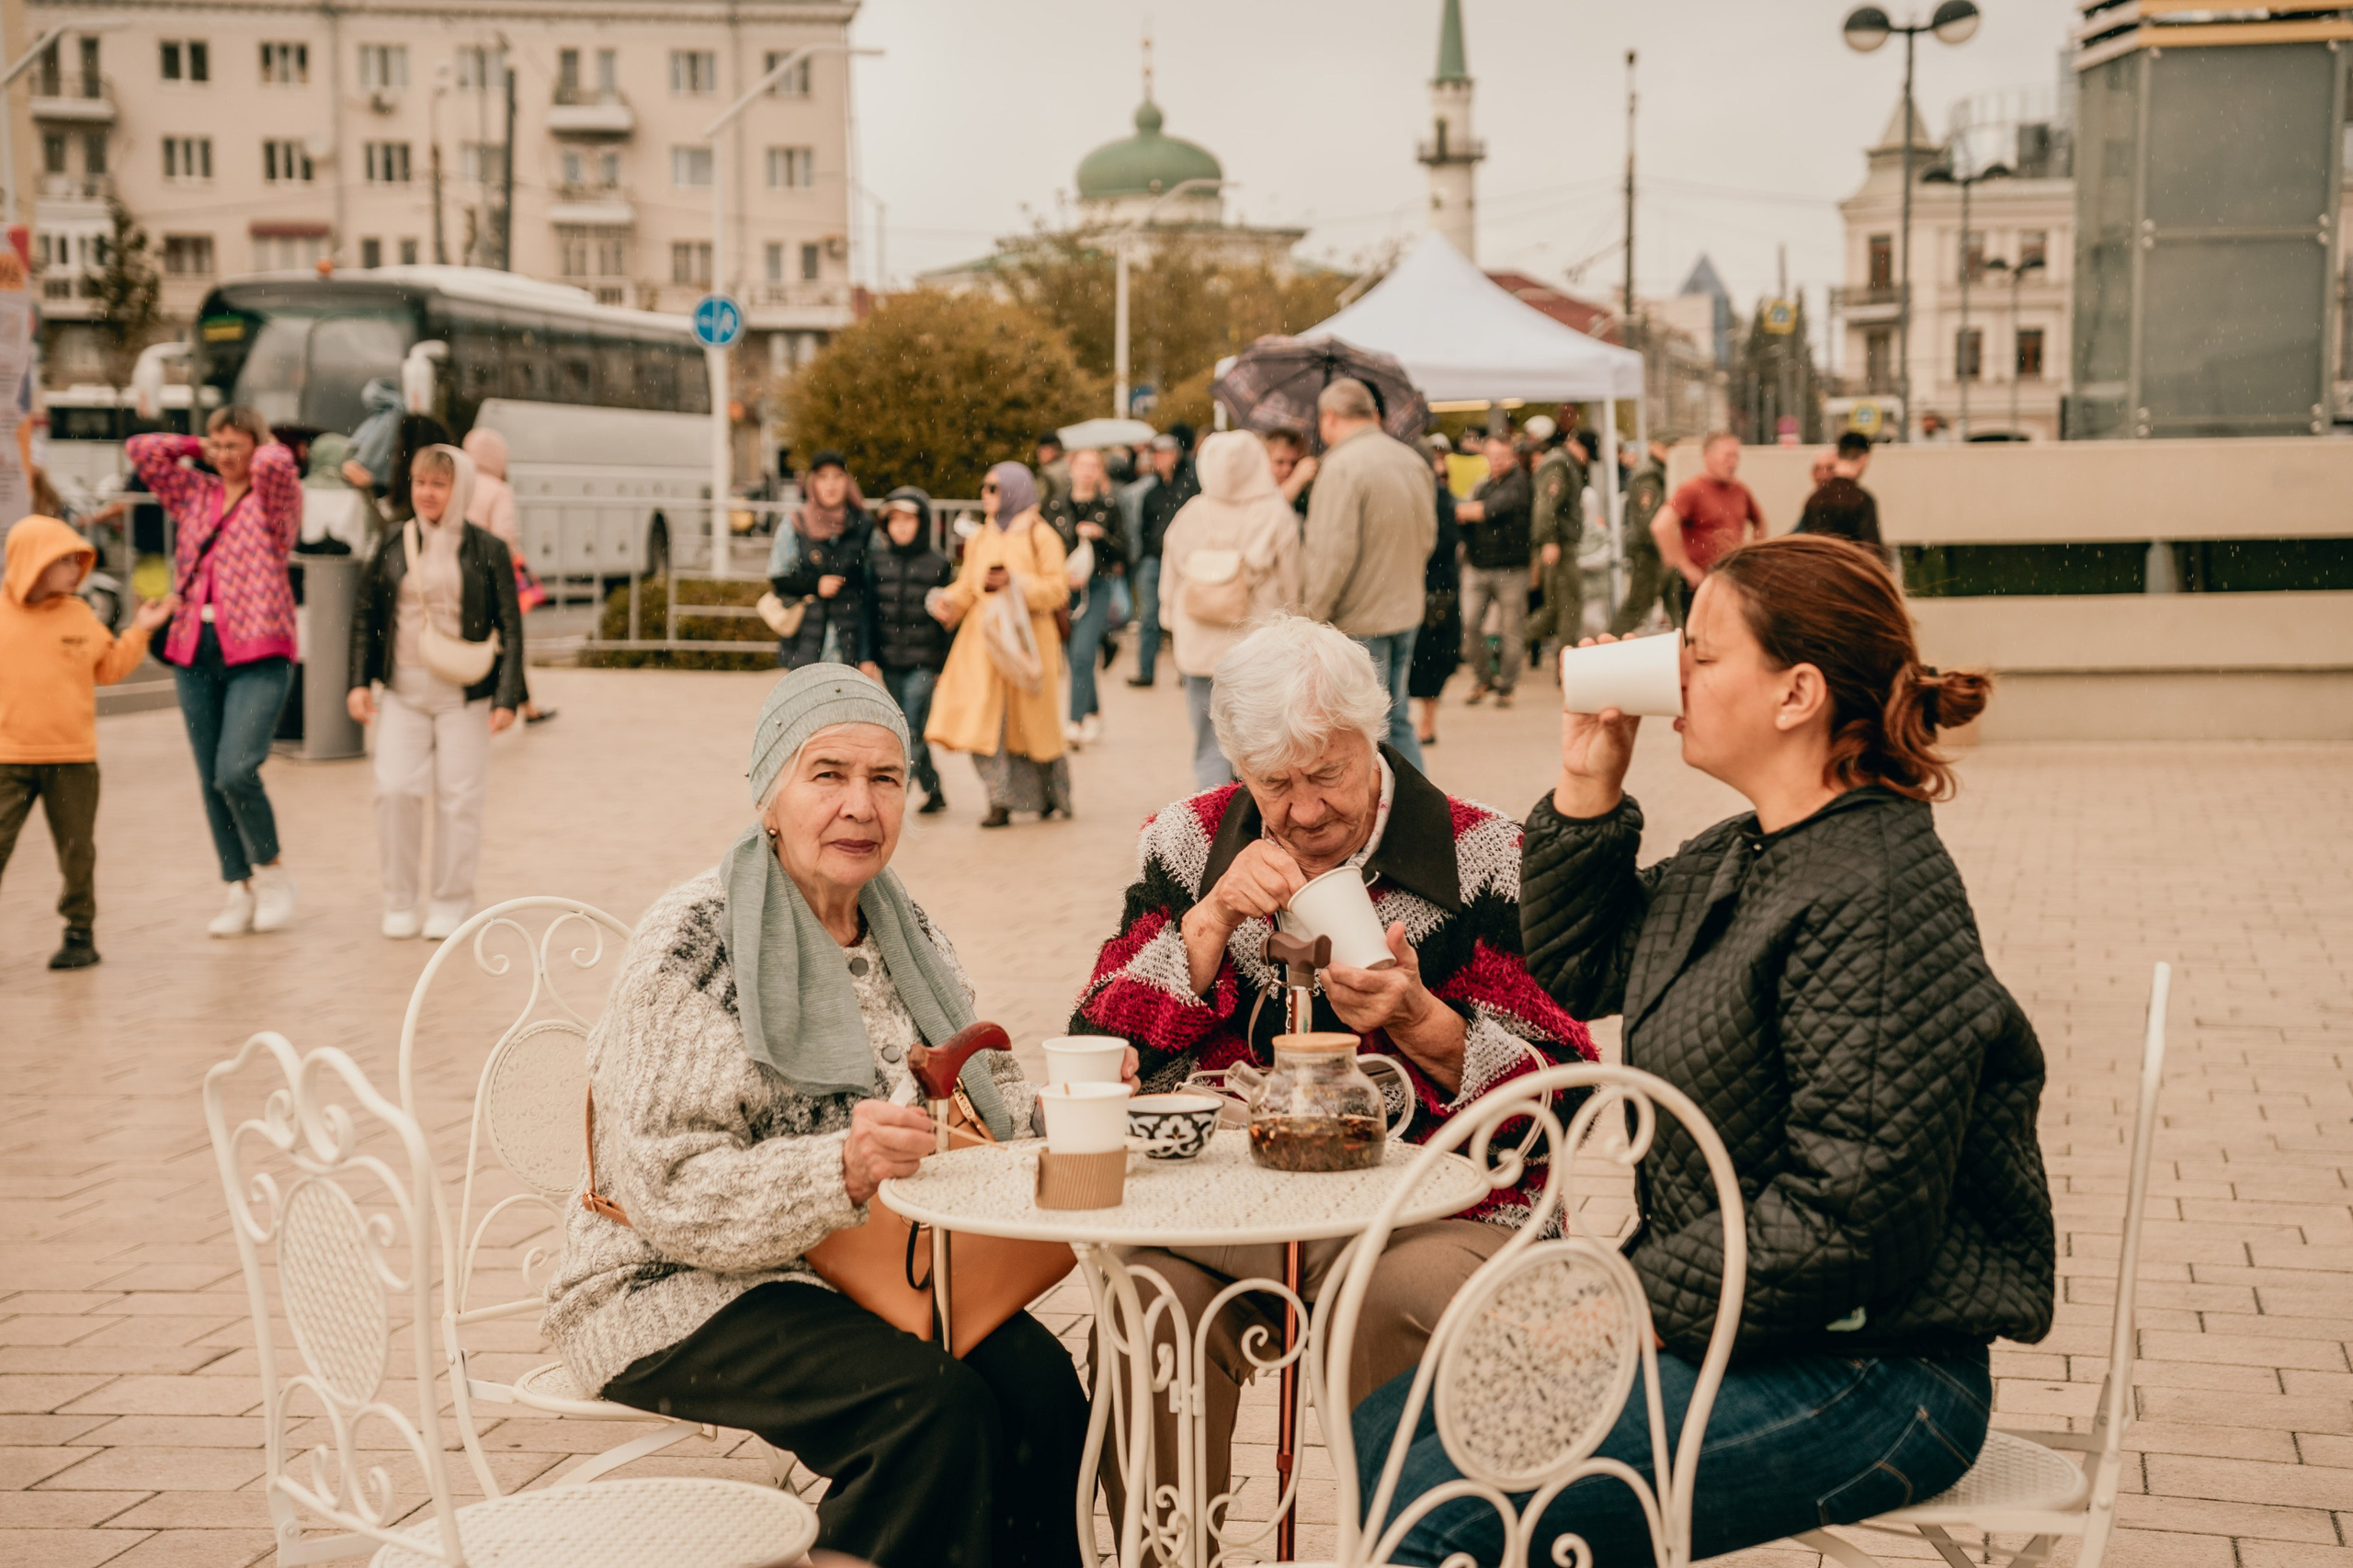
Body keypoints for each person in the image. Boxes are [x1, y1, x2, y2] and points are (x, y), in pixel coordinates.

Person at [1358, 535, 2052, 1567]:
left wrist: (1617, 1298)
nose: (1673, 668)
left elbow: (1849, 1215)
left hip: (1873, 1368)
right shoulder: (1752, 850)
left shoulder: (1877, 892)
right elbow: (1585, 974)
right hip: (1742, 1326)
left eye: (1702, 649)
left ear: (1796, 693)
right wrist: (1587, 781)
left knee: (1449, 1501)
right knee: (1395, 1426)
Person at [547, 665, 1095, 1568]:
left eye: (885, 779)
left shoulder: (902, 923)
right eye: (827, 774)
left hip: (866, 1270)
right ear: (771, 796)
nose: (860, 805)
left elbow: (983, 1087)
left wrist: (1079, 1119)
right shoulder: (693, 941)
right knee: (928, 1413)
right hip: (669, 1282)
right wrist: (837, 1168)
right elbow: (659, 1188)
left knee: (1041, 1393)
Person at [1068, 612, 1596, 1521]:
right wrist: (1204, 931)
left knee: (1387, 1293)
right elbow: (1097, 1058)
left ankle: (1413, 1542)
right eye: (1275, 783)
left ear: (1373, 735)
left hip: (1436, 1210)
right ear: (1235, 766)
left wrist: (1425, 1022)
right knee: (1149, 1296)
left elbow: (1567, 1098)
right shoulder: (1188, 844)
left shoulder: (1485, 856)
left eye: (1328, 773)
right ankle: (1157, 1549)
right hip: (1231, 1214)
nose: (1306, 809)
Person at [127, 411, 303, 937]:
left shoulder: (274, 499)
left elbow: (279, 462)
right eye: (218, 445)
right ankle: (237, 885)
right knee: (209, 779)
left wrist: (260, 442)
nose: (224, 455)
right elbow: (141, 450)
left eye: (235, 445)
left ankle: (272, 873)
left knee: (236, 769)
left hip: (258, 649)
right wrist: (195, 444)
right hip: (193, 648)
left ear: (255, 443)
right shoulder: (194, 494)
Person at [347, 446, 526, 941]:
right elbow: (365, 615)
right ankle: (399, 900)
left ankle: (451, 901)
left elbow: (509, 622)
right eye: (420, 482)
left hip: (465, 695)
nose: (427, 493)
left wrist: (509, 695)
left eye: (439, 484)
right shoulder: (390, 542)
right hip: (402, 690)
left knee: (459, 799)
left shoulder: (486, 548)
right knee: (395, 790)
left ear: (460, 489)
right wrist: (359, 682)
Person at [0, 517, 176, 970]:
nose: (76, 569)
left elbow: (110, 667)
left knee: (78, 851)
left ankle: (80, 933)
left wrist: (141, 629)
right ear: (32, 562)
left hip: (73, 760)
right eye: (64, 561)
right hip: (8, 758)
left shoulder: (80, 613)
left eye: (79, 560)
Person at [925, 462, 1072, 827]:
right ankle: (999, 801)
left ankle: (1050, 797)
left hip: (1027, 643)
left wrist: (1014, 583)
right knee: (985, 724)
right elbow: (969, 586)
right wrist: (948, 602)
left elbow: (1057, 589)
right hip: (983, 645)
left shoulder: (1041, 535)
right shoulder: (981, 536)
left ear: (1013, 490)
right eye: (984, 487)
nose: (984, 494)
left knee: (1032, 728)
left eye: (992, 487)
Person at [1301, 380, 1436, 770]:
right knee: (1399, 717)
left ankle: (1384, 816)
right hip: (1405, 608)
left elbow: (1332, 554)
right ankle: (1421, 810)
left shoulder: (1341, 466)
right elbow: (1428, 536)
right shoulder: (1410, 459)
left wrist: (1309, 619)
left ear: (1328, 418)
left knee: (1363, 730)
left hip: (1358, 618)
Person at [1156, 431, 1304, 790]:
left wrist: (1171, 622)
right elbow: (1293, 585)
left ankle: (1211, 819)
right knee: (1260, 744)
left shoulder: (1191, 513)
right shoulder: (1275, 513)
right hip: (1257, 650)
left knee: (1208, 742)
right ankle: (1252, 820)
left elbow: (1169, 585)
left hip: (1198, 650)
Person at [858, 487, 954, 816]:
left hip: (924, 662)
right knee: (910, 730)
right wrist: (867, 654)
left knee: (909, 731)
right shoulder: (878, 561)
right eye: (893, 519)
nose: (900, 526)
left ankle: (894, 797)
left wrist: (944, 663)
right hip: (890, 661)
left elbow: (949, 621)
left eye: (908, 519)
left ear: (922, 523)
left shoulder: (939, 564)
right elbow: (868, 613)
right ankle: (935, 790)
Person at [460, 426, 555, 725]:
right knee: (507, 639)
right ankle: (510, 705)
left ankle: (525, 705)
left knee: (478, 637)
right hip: (488, 577)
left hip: (455, 572)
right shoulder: (499, 490)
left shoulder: (459, 482)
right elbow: (504, 537)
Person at [1044, 448, 1128, 747]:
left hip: (1097, 587)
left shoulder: (1109, 505)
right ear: (1072, 468)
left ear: (1100, 471)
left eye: (1094, 466)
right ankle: (1093, 712)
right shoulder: (1055, 505)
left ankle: (1074, 721)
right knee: (1074, 655)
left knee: (1081, 654)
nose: (1088, 471)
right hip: (1062, 589)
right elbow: (1043, 544)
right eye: (1083, 465)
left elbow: (1124, 550)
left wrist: (1100, 536)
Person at [767, 451, 874, 670]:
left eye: (838, 476)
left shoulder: (863, 525)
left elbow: (873, 586)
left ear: (848, 481)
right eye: (823, 477)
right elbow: (779, 575)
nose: (831, 484)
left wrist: (867, 654)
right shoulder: (796, 523)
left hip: (850, 637)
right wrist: (815, 586)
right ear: (812, 482)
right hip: (806, 637)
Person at [1653, 430, 1767, 628]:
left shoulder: (1740, 490)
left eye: (1736, 456)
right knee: (1699, 640)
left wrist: (1751, 556)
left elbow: (1760, 523)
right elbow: (1660, 526)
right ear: (1708, 457)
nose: (1733, 462)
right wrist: (1685, 566)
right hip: (1700, 584)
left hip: (1732, 580)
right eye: (1727, 456)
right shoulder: (1692, 489)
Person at [1454, 431, 1534, 708]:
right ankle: (1484, 678)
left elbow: (1489, 510)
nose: (1497, 461)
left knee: (1511, 631)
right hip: (1478, 567)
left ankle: (1506, 686)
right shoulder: (1484, 485)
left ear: (1512, 456)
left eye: (1502, 456)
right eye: (1492, 456)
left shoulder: (1520, 483)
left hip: (1512, 570)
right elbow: (1467, 512)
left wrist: (1470, 511)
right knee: (1470, 625)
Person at [1405, 435, 1463, 749]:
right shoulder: (1429, 494)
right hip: (1425, 585)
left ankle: (1426, 723)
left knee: (1429, 658)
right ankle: (1420, 723)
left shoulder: (1435, 496)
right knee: (1423, 658)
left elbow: (1442, 542)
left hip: (1434, 586)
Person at [1127, 434, 1196, 689]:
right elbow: (1143, 528)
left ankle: (1185, 671)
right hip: (1153, 559)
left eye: (1164, 453)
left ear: (1176, 455)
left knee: (1183, 615)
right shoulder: (1151, 493)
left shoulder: (1190, 487)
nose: (1159, 458)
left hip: (1183, 561)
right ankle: (1145, 671)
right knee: (1149, 617)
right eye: (1155, 454)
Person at [1526, 424, 1586, 666]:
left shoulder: (1559, 461)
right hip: (1560, 545)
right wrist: (1550, 540)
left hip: (1558, 544)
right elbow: (1545, 506)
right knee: (1568, 607)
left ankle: (1506, 647)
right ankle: (1567, 665)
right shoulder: (1560, 464)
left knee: (1554, 608)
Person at [1608, 436, 1673, 636]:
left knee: (1675, 601)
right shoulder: (1649, 475)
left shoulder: (1657, 471)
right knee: (1638, 604)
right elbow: (1648, 520)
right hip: (1649, 550)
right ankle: (1608, 643)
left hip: (1657, 549)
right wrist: (1666, 546)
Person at [1796, 431, 1885, 553]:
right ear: (1864, 459)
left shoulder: (1815, 498)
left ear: (1838, 455)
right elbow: (1872, 550)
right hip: (1850, 570)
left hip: (1819, 570)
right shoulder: (1862, 499)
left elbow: (1807, 544)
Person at [1264, 426, 1317, 516]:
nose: (1287, 469)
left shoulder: (1305, 494)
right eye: (1280, 462)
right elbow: (1270, 510)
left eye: (1294, 463)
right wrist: (1297, 480)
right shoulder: (1255, 490)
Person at [1034, 431, 1071, 506]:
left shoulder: (1046, 472)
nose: (1038, 454)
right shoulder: (1071, 466)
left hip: (1053, 512)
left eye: (1040, 450)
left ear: (1050, 450)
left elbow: (1039, 500)